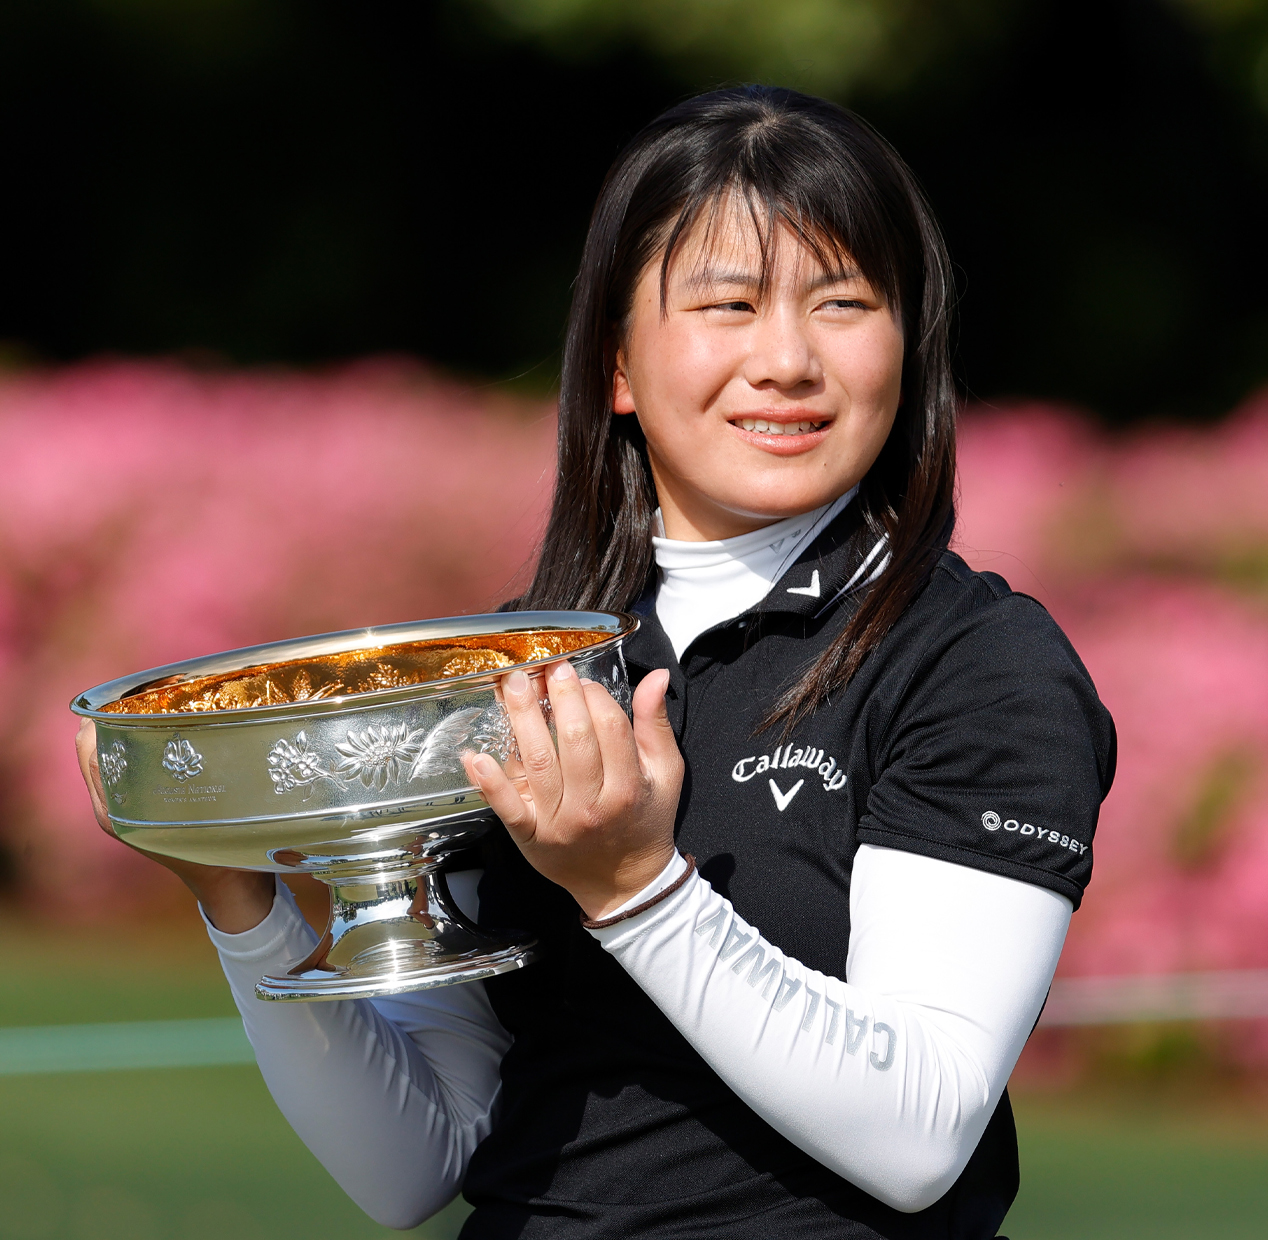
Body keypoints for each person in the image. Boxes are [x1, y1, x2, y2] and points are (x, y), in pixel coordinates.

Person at [76, 85, 1114, 1239]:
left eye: (842, 303)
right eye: (728, 304)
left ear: (908, 347)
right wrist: (238, 894)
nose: (786, 358)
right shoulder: (516, 671)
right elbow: (416, 1164)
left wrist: (633, 889)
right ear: (618, 365)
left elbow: (921, 1134)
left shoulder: (977, 666)